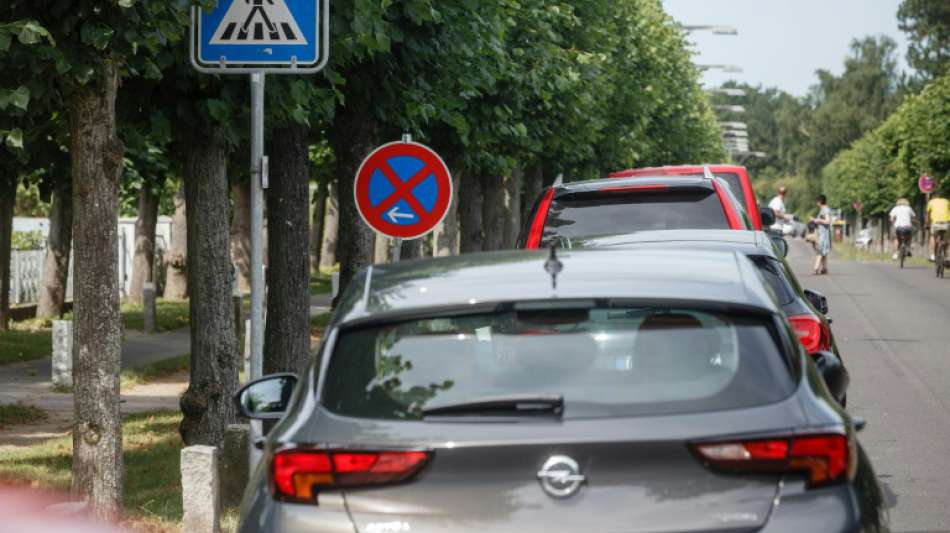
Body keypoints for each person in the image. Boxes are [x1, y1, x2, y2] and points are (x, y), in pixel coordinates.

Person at [811, 195, 833, 275]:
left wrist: (817, 220)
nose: (817, 203)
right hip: (823, 233)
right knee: (823, 251)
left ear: (820, 201)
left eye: (817, 201)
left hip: (824, 234)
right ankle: (824, 268)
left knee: (819, 250)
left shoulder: (825, 210)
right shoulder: (824, 209)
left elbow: (828, 221)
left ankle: (816, 268)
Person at [926, 194, 950, 262]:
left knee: (932, 236)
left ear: (933, 197)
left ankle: (932, 255)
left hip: (936, 223)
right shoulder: (946, 201)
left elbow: (928, 214)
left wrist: (927, 224)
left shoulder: (931, 202)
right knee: (946, 240)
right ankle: (946, 257)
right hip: (946, 223)